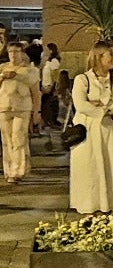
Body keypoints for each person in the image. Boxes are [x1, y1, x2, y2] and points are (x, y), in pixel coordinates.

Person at [70, 40, 113, 213]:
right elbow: (80, 104)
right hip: (88, 131)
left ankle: (110, 206)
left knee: (112, 167)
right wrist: (102, 109)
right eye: (110, 55)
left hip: (111, 130)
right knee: (90, 169)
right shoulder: (82, 79)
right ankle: (90, 206)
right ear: (99, 57)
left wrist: (104, 107)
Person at [0, 42, 41, 183]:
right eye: (11, 52)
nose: (13, 55)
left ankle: (17, 170)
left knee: (18, 137)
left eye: (17, 51)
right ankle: (9, 169)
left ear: (23, 54)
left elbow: (36, 92)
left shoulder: (30, 70)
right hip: (4, 107)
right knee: (7, 139)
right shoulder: (2, 68)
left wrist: (37, 111)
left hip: (22, 108)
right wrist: (3, 76)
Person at [39, 42, 63, 130]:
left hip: (50, 85)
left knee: (49, 103)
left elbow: (55, 74)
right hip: (45, 84)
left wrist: (53, 87)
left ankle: (51, 121)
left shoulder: (54, 61)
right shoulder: (47, 61)